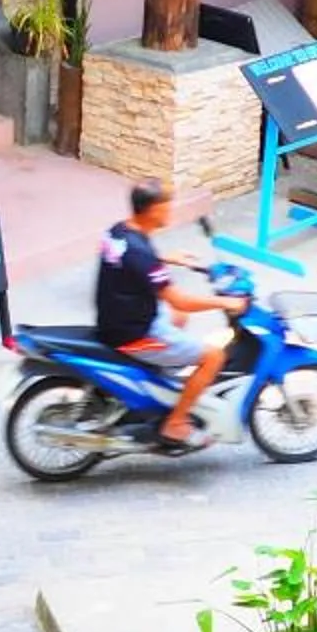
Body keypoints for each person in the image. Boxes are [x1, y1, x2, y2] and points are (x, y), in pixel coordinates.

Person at [93, 179, 233, 450]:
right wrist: (224, 302)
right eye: (166, 205)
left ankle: (157, 389)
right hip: (135, 332)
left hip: (117, 317)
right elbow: (179, 300)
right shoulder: (141, 254)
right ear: (152, 210)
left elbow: (131, 260)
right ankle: (176, 422)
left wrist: (167, 258)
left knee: (179, 319)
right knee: (214, 356)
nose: (170, 210)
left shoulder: (118, 232)